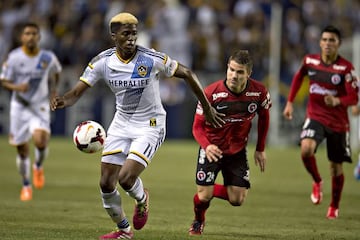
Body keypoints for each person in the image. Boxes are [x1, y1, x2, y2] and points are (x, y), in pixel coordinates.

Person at [50, 12, 224, 240]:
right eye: (126, 34)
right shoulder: (103, 61)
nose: (131, 38)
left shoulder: (151, 58)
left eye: (134, 33)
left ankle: (142, 200)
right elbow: (76, 92)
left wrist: (207, 107)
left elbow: (188, 73)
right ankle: (124, 231)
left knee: (125, 178)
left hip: (150, 124)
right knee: (105, 182)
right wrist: (63, 100)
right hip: (121, 123)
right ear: (114, 36)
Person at [189, 50, 271, 235]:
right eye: (232, 70)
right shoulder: (210, 93)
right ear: (227, 68)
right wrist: (207, 145)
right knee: (204, 197)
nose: (234, 75)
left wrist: (260, 148)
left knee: (237, 199)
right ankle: (198, 219)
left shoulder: (259, 92)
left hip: (237, 151)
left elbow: (265, 117)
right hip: (212, 149)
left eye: (240, 72)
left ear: (248, 74)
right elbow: (197, 127)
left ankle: (206, 189)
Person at [283, 25, 358, 219]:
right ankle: (317, 181)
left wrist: (337, 101)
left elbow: (354, 97)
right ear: (320, 42)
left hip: (339, 123)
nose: (327, 44)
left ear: (339, 44)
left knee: (335, 167)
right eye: (324, 40)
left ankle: (334, 205)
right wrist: (289, 102)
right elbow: (298, 77)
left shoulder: (346, 68)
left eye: (332, 40)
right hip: (315, 116)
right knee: (306, 148)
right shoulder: (310, 61)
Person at [0, 22, 62, 201]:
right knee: (22, 149)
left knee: (41, 141)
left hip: (40, 105)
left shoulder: (47, 57)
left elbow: (57, 71)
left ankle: (38, 166)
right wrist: (16, 86)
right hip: (19, 106)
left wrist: (54, 90)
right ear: (22, 37)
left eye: (34, 33)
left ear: (39, 37)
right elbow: (3, 80)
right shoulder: (14, 57)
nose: (31, 36)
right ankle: (26, 184)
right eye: (27, 33)